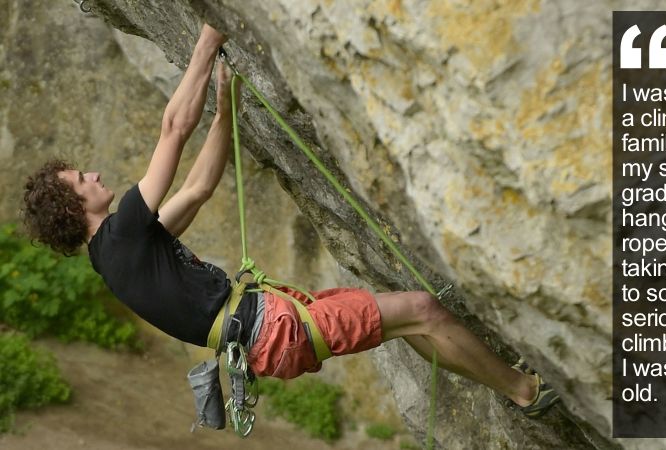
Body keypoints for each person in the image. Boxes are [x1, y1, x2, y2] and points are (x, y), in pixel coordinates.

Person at [21, 24, 559, 419]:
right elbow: (170, 133)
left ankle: (511, 386)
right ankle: (524, 392)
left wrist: (224, 108)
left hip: (270, 326)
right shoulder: (121, 237)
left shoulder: (121, 253)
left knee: (404, 317)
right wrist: (206, 42)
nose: (92, 173)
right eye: (79, 180)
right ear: (74, 208)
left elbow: (199, 188)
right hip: (272, 331)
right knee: (419, 309)